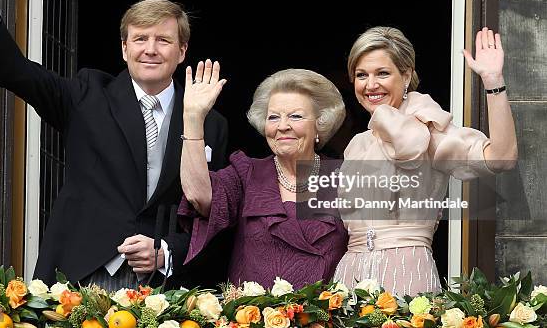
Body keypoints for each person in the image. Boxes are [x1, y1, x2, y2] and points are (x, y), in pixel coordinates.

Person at [0, 0, 229, 290]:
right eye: (140, 39)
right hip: (82, 276)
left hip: (167, 287)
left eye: (163, 40)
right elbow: (15, 72)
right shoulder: (88, 95)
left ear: (181, 52)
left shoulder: (210, 123)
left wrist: (166, 253)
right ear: (124, 49)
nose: (150, 49)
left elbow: (215, 217)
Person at [333, 26, 518, 295]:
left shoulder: (426, 128)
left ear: (406, 75)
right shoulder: (356, 144)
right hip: (350, 275)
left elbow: (502, 159)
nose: (370, 85)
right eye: (362, 75)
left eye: (382, 73)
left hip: (405, 271)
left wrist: (493, 81)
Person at [178, 65, 348, 289]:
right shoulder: (247, 172)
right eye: (273, 117)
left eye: (295, 116)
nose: (282, 126)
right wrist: (193, 118)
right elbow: (198, 195)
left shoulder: (342, 176)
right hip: (251, 317)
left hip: (324, 319)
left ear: (320, 123)